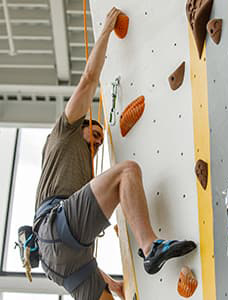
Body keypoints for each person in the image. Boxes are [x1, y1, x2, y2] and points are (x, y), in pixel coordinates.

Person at [34, 7, 196, 300]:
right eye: (94, 135)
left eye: (99, 143)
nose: (96, 145)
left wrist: (110, 283)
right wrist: (107, 28)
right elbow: (88, 79)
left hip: (64, 262)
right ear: (78, 124)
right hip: (55, 230)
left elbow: (70, 250)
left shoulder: (76, 177)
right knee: (127, 171)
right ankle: (150, 247)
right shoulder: (63, 131)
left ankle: (141, 259)